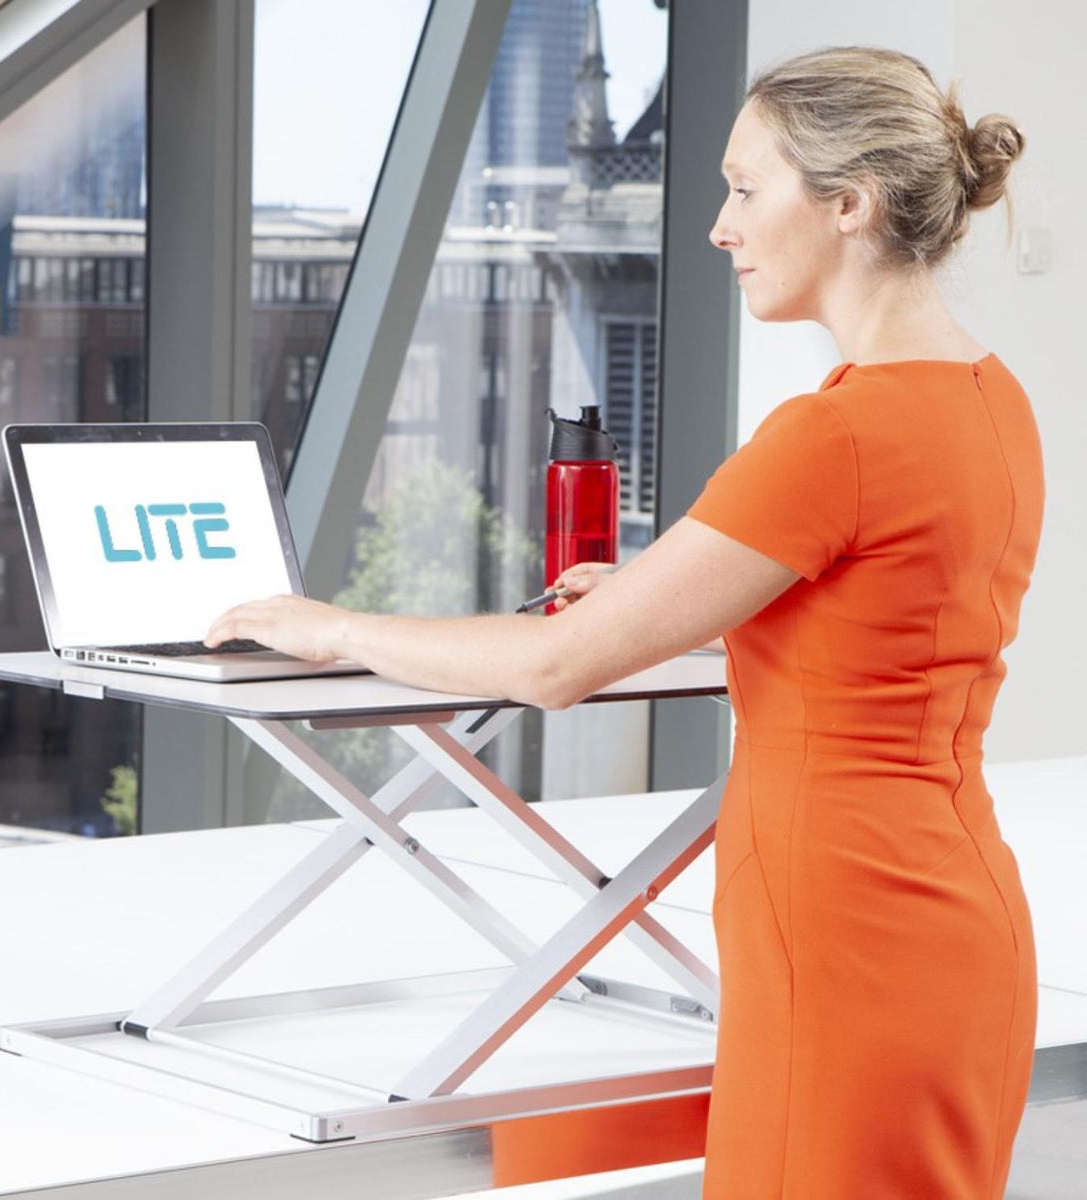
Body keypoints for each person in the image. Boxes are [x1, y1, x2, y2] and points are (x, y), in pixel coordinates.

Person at [206, 45, 1042, 1199]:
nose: (720, 225)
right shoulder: (993, 402)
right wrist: (669, 611)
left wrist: (330, 626)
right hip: (956, 921)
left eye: (747, 189)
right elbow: (891, 632)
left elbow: (553, 667)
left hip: (840, 928)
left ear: (848, 205)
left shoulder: (832, 438)